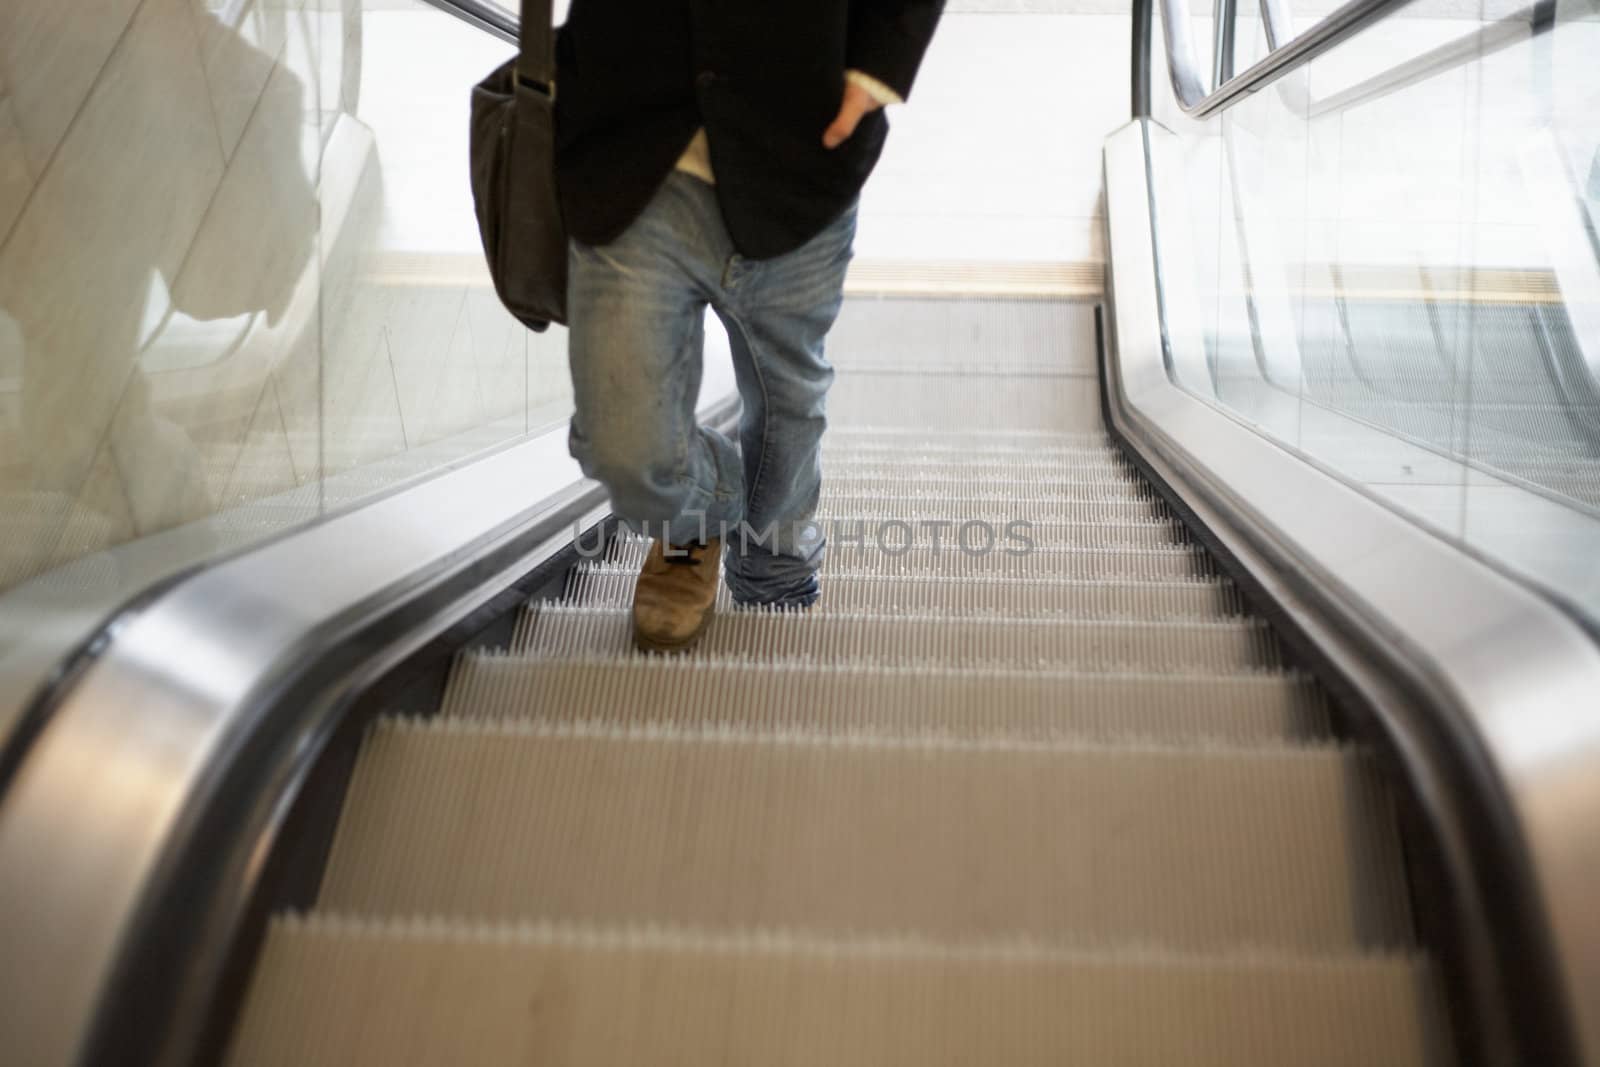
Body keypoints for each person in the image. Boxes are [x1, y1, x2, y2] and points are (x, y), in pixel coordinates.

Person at [554, 1, 944, 653]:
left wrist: (880, 64)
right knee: (621, 442)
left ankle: (773, 574)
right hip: (631, 146)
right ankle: (698, 517)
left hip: (801, 152)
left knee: (790, 400)